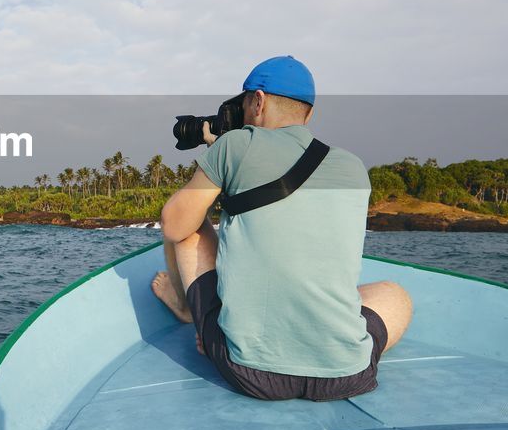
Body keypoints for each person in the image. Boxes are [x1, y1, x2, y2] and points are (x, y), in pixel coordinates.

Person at [150, 56, 412, 401]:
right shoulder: (352, 165)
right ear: (309, 113)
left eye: (244, 103)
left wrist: (219, 156)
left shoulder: (234, 145)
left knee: (188, 226)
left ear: (258, 101)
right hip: (347, 373)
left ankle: (188, 308)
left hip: (251, 372)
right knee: (395, 294)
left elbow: (173, 225)